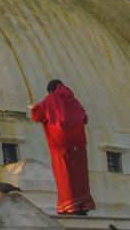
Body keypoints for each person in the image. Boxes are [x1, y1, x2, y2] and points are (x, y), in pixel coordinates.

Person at [31, 79, 95, 215]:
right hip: (79, 144)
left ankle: (69, 207)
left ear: (50, 90)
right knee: (80, 175)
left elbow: (38, 116)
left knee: (65, 176)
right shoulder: (74, 101)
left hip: (62, 144)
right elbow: (84, 118)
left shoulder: (51, 100)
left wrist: (35, 108)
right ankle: (83, 206)